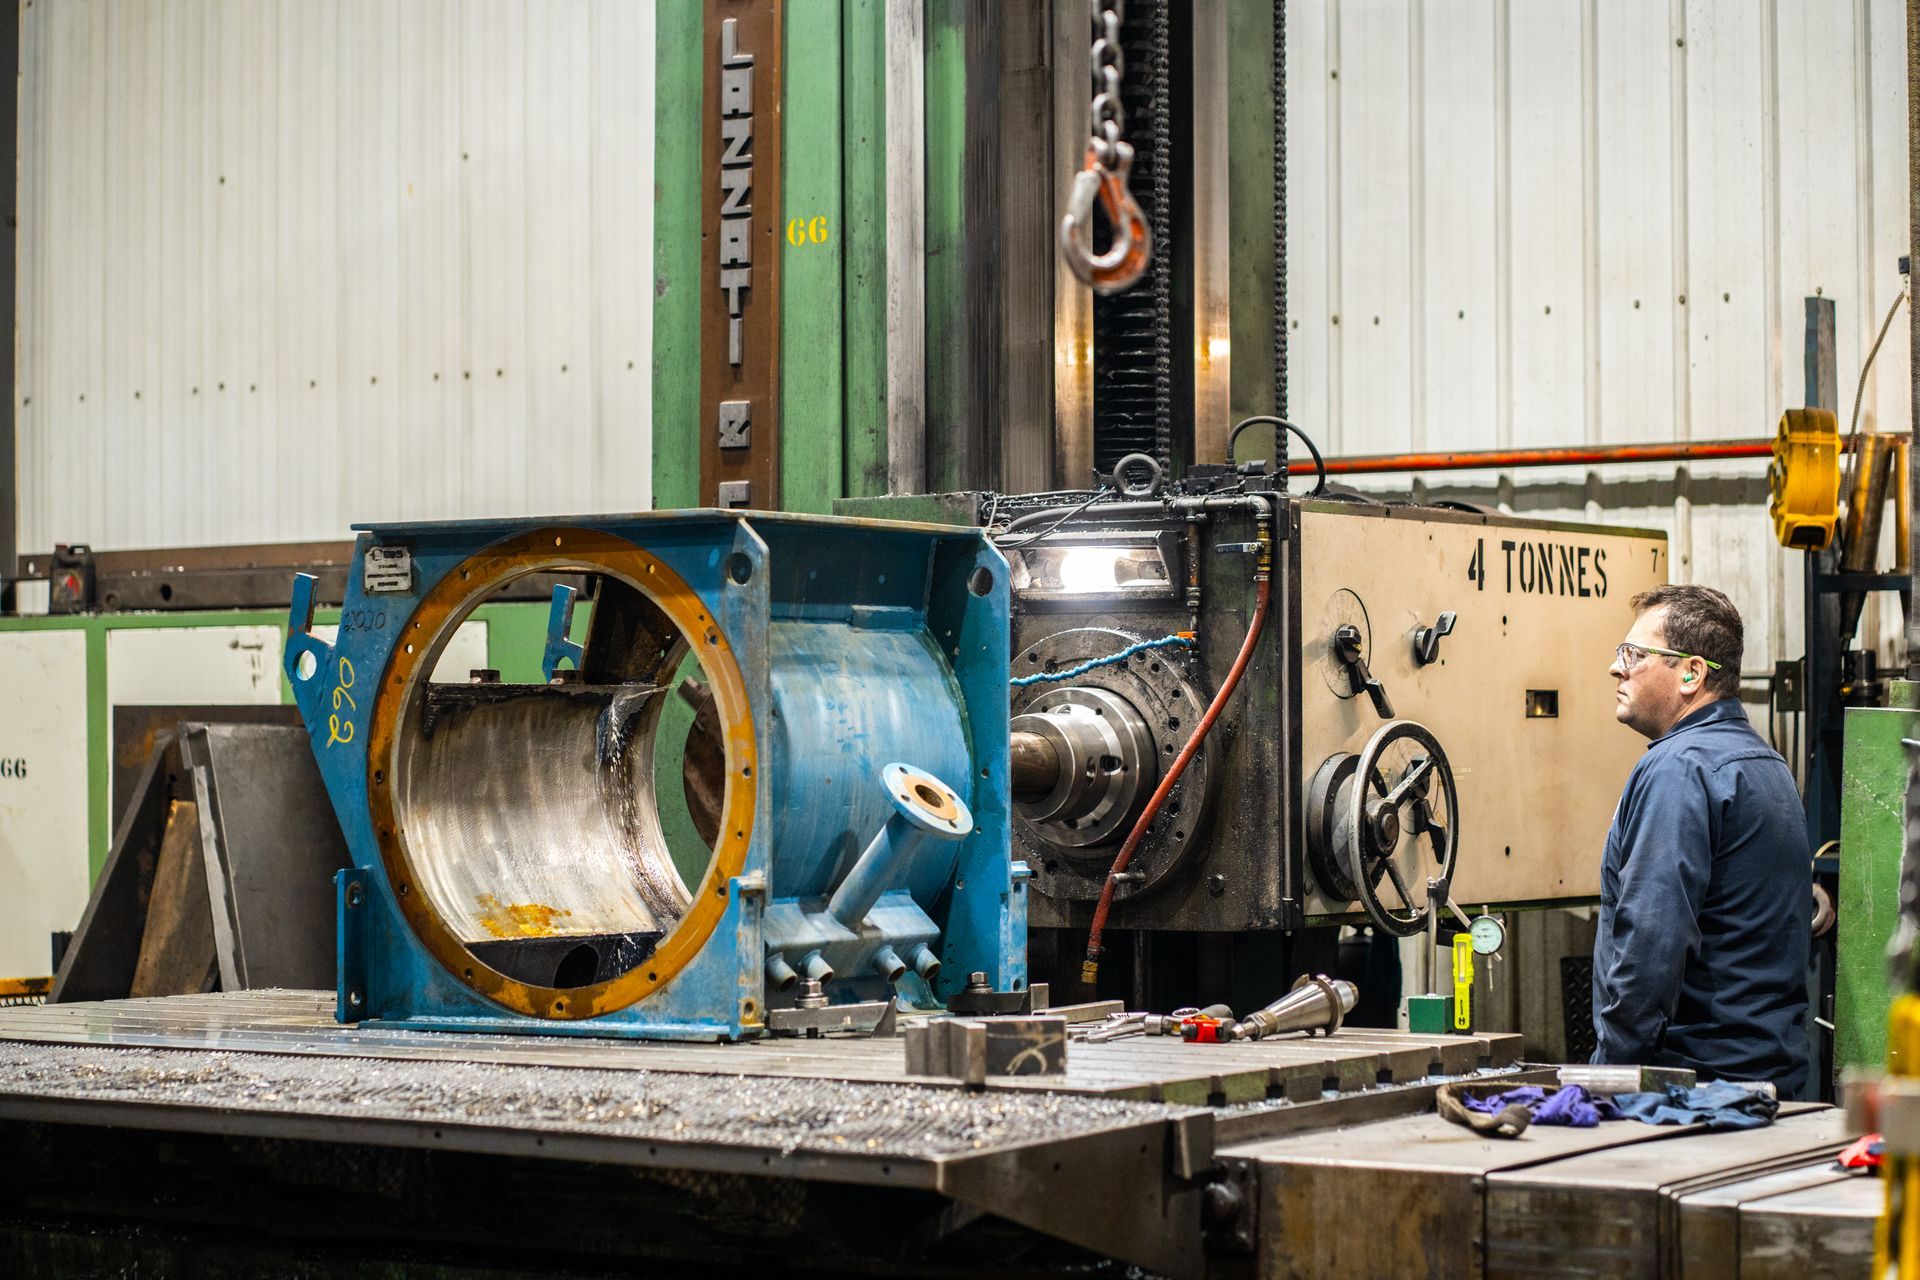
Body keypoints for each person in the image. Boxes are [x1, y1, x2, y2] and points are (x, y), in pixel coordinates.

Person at [1592, 584, 1810, 1097]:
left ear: (1691, 673)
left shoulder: (1679, 769)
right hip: (1768, 1079)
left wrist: (1608, 1076)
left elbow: (1651, 946)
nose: (1615, 668)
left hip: (1693, 1092)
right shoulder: (1764, 762)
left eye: (1634, 654)